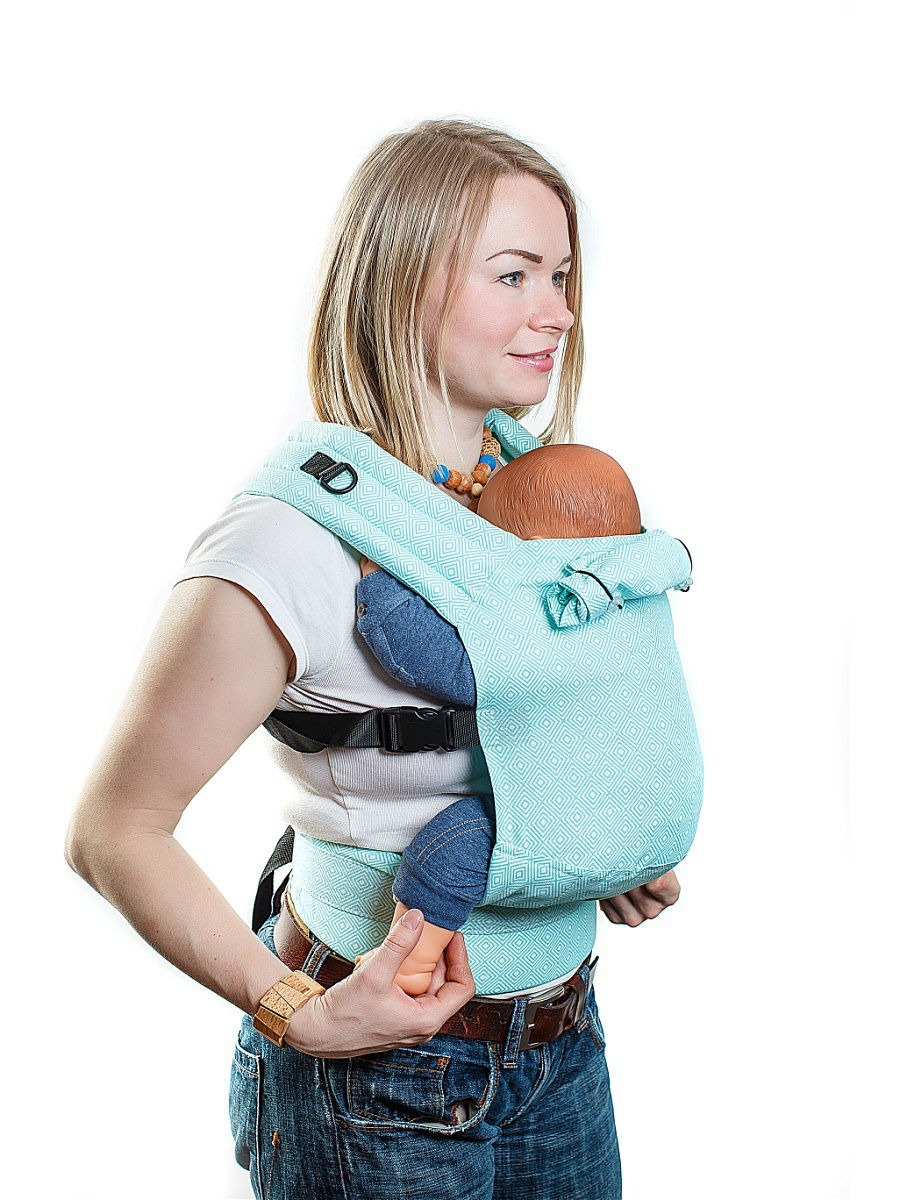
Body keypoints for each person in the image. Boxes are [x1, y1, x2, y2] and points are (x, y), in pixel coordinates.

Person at [64, 117, 682, 1200]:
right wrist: (296, 1013)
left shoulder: (543, 497)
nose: (558, 310)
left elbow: (552, 723)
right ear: (401, 283)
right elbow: (114, 828)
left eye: (561, 275)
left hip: (563, 1046)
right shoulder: (290, 539)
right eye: (514, 274)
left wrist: (591, 839)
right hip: (379, 1088)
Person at [353, 443, 646, 994]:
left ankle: (412, 962)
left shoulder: (543, 625)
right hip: (630, 790)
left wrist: (382, 576)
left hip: (551, 800)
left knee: (450, 849)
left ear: (528, 555)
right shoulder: (635, 594)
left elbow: (433, 660)